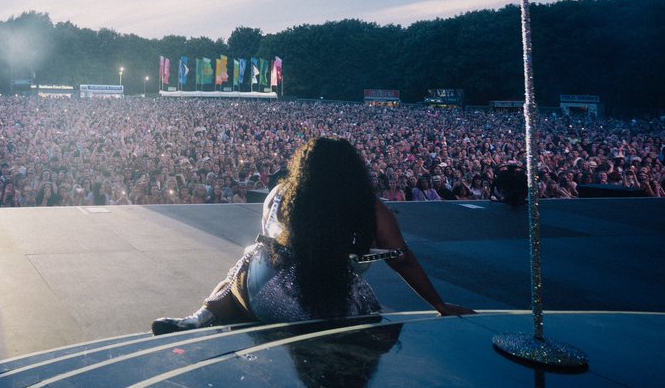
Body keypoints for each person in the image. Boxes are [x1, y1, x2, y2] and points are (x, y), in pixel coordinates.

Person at [152, 137, 474, 335]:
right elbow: (401, 260)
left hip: (273, 300)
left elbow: (273, 247)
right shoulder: (370, 208)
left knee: (252, 255)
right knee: (347, 283)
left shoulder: (279, 194)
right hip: (338, 309)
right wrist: (437, 302)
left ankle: (199, 317)